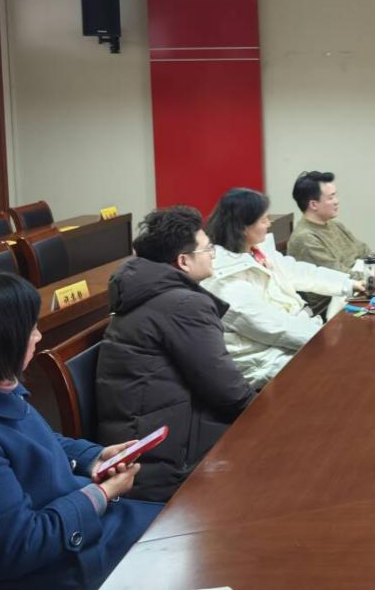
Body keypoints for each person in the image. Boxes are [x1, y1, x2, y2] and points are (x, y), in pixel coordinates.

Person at [0, 273, 161, 590]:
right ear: (2, 342)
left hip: (85, 531)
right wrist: (101, 494)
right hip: (63, 565)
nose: (39, 336)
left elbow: (39, 441)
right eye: (31, 329)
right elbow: (18, 546)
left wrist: (95, 457)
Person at [96, 206, 257, 502]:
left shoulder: (148, 291)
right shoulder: (183, 305)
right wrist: (265, 411)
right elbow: (228, 392)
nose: (213, 254)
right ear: (183, 261)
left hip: (153, 438)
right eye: (207, 249)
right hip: (163, 462)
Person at [202, 188, 360, 390]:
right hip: (265, 361)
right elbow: (272, 326)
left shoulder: (255, 251)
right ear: (242, 227)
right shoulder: (224, 279)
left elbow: (298, 272)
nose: (269, 224)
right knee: (351, 372)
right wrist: (327, 339)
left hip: (290, 342)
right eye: (264, 220)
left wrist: (347, 284)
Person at [287, 170, 375, 318]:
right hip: (331, 303)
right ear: (314, 204)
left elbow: (364, 251)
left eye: (335, 195)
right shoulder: (305, 238)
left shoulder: (335, 224)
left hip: (361, 286)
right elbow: (338, 275)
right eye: (331, 197)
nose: (336, 201)